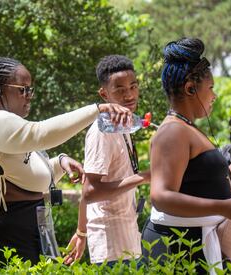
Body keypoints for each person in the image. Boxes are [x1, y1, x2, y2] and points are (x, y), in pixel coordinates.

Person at [0, 57, 131, 264]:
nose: (29, 97)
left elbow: (26, 172)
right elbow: (40, 134)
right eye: (22, 90)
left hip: (27, 224)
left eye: (30, 90)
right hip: (2, 231)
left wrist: (59, 163)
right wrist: (97, 109)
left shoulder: (8, 124)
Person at [141, 38, 231, 273]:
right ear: (190, 88)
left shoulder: (187, 127)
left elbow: (209, 188)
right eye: (211, 87)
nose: (214, 95)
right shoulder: (173, 131)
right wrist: (225, 208)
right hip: (178, 248)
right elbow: (161, 196)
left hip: (194, 244)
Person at [64, 55, 150, 266]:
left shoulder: (122, 125)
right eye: (119, 89)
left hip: (127, 239)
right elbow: (90, 191)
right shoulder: (101, 131)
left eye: (133, 86)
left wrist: (81, 232)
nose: (129, 95)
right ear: (104, 94)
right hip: (111, 246)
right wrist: (144, 177)